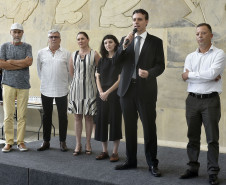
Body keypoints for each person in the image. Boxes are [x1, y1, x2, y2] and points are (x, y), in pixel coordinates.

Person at [113, 9, 165, 177]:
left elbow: (160, 65)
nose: (136, 22)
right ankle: (131, 160)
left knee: (149, 128)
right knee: (129, 127)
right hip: (126, 91)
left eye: (140, 19)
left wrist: (150, 73)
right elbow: (116, 63)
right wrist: (123, 47)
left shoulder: (155, 42)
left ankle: (152, 163)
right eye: (134, 19)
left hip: (146, 90)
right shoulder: (125, 40)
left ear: (146, 21)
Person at [180, 23, 225, 185]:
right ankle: (192, 168)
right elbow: (185, 77)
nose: (200, 36)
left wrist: (192, 74)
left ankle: (213, 172)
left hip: (210, 101)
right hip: (192, 100)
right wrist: (206, 76)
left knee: (212, 138)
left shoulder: (219, 54)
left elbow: (212, 73)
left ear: (211, 35)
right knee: (192, 137)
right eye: (197, 33)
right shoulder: (190, 56)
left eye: (203, 33)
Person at [36, 29, 71, 152]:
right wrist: (47, 81)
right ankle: (46, 141)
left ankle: (63, 141)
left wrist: (66, 84)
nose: (53, 39)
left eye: (56, 37)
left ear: (60, 39)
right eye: (51, 37)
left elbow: (70, 72)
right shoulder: (41, 53)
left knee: (63, 116)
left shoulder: (66, 53)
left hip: (62, 89)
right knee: (46, 116)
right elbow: (39, 71)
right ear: (48, 39)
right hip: (46, 88)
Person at [0, 23, 33, 152]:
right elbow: (1, 64)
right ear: (11, 33)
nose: (17, 34)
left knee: (22, 115)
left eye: (19, 32)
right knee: (8, 115)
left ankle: (20, 142)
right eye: (15, 32)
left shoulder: (27, 47)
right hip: (8, 84)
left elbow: (29, 62)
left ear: (22, 33)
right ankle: (8, 142)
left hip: (24, 85)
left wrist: (11, 61)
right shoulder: (4, 46)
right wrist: (21, 64)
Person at [68, 32, 100, 156]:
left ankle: (88, 143)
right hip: (76, 89)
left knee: (88, 117)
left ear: (88, 39)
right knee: (77, 117)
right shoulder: (73, 55)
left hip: (90, 88)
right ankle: (77, 143)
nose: (80, 41)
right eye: (78, 39)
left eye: (82, 38)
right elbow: (71, 72)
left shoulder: (94, 54)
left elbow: (100, 70)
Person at [95, 35, 122, 162]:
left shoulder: (119, 59)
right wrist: (101, 92)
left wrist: (108, 92)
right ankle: (104, 151)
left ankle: (115, 152)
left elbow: (120, 79)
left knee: (115, 122)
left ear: (116, 44)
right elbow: (97, 77)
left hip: (115, 95)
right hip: (101, 95)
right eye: (105, 42)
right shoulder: (102, 60)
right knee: (101, 122)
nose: (108, 44)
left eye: (110, 42)